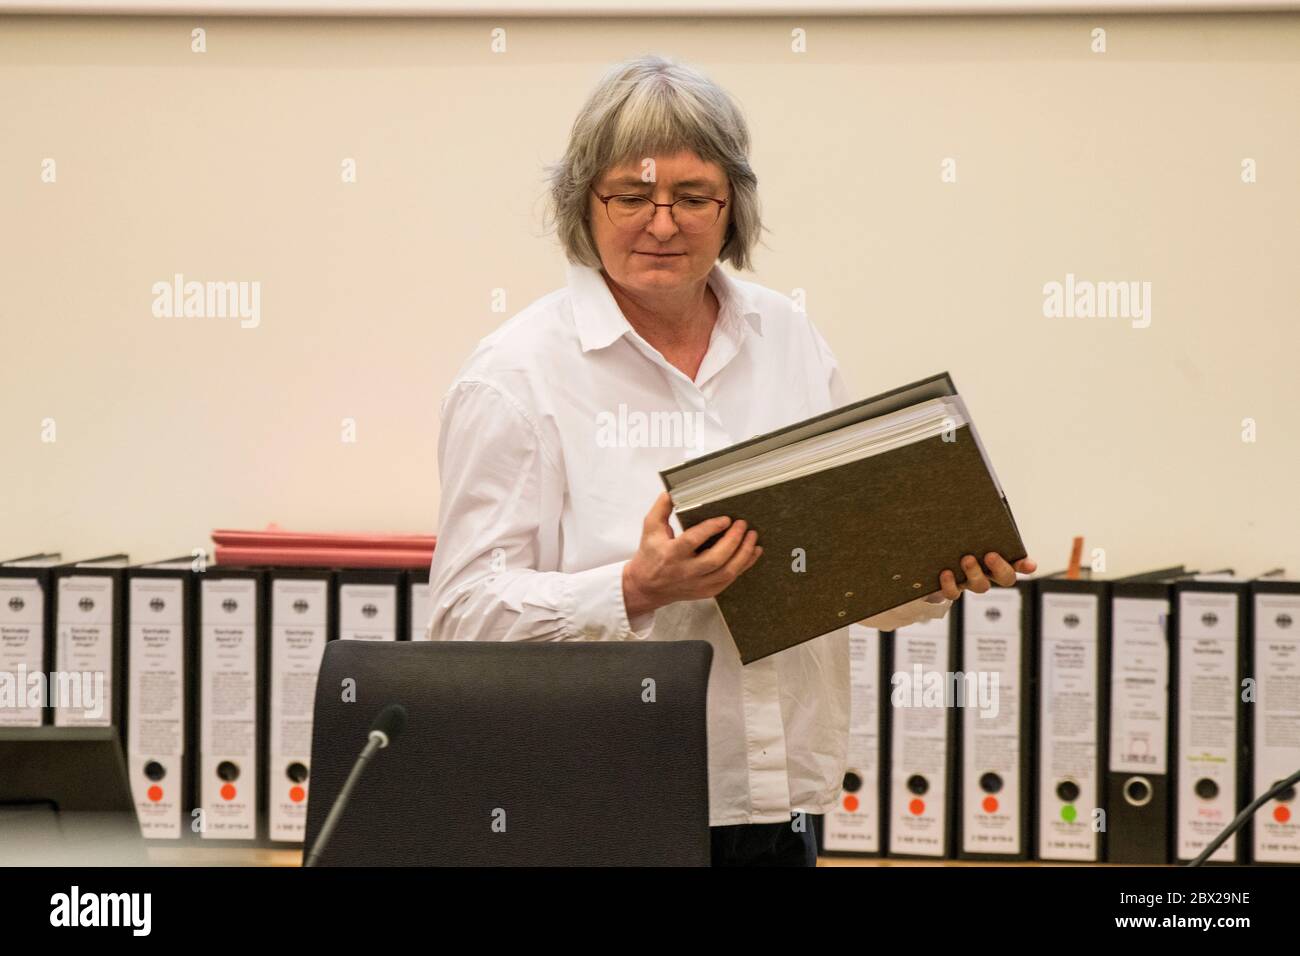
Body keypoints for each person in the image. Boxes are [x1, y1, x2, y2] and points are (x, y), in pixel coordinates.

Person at [426, 53, 1036, 866]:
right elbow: (463, 616)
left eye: (693, 197)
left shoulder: (789, 338)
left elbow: (834, 572)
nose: (664, 222)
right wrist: (634, 588)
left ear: (733, 205)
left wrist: (926, 577)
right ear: (584, 201)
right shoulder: (515, 375)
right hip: (600, 808)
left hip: (779, 802)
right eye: (632, 196)